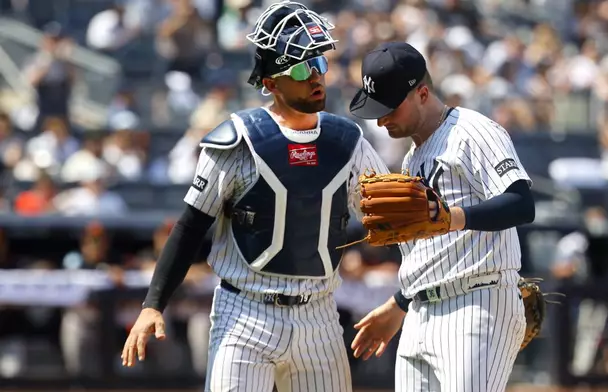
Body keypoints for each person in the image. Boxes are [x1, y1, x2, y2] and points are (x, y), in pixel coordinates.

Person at [120, 2, 389, 391]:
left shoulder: (348, 141)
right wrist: (152, 305)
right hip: (244, 312)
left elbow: (394, 214)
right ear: (270, 83)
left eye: (319, 64)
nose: (315, 76)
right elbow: (191, 226)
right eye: (299, 68)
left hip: (319, 316)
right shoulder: (237, 140)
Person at [348, 42, 536, 392]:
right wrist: (401, 303)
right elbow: (433, 249)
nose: (381, 119)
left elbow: (521, 204)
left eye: (390, 107)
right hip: (420, 311)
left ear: (421, 93)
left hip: (476, 303)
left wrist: (452, 217)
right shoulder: (411, 160)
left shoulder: (472, 131)